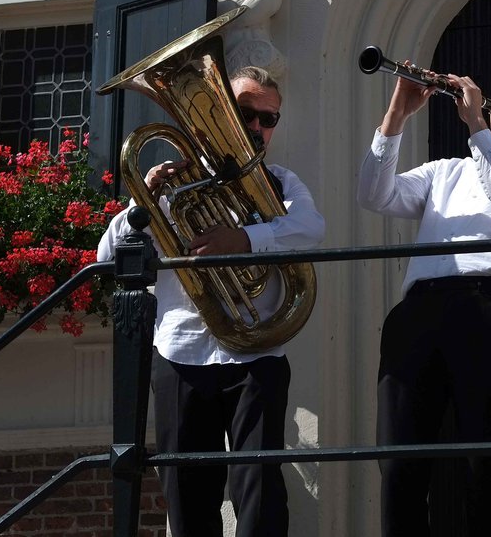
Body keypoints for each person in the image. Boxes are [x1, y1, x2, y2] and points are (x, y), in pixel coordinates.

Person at [97, 66, 325, 537]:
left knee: (260, 492)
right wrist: (143, 205)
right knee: (187, 498)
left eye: (269, 118)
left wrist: (243, 238)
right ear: (218, 116)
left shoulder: (281, 183)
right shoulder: (174, 185)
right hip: (181, 354)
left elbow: (311, 228)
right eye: (246, 114)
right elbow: (107, 257)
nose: (259, 128)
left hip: (257, 355)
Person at [357, 62, 491, 537]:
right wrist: (398, 112)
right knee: (398, 458)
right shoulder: (446, 171)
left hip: (487, 307)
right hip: (420, 310)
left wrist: (475, 125)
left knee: (484, 458)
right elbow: (374, 195)